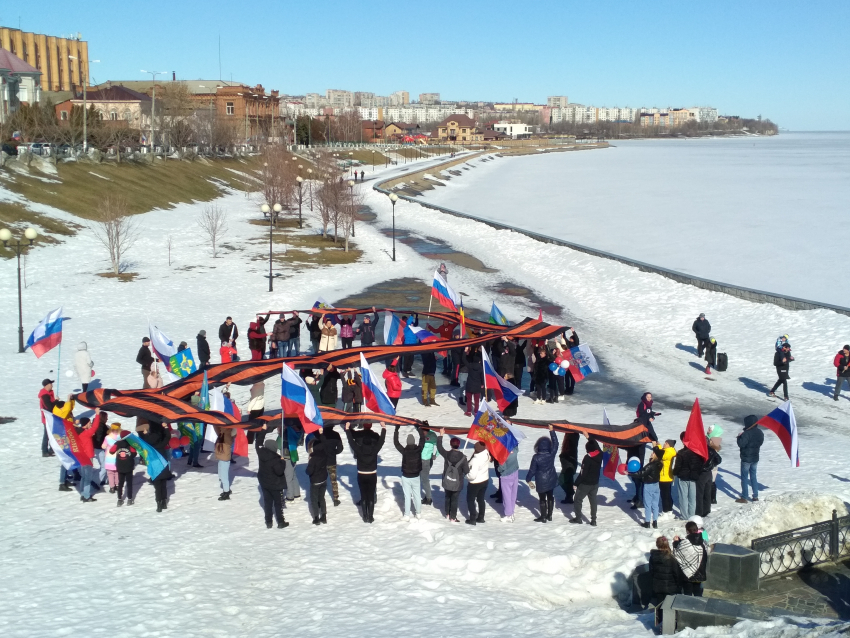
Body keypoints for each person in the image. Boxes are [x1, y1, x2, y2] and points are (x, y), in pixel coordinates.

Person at [345, 422, 386, 524]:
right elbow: (381, 441)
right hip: (372, 474)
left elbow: (351, 441)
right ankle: (370, 517)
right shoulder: (374, 449)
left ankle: (365, 516)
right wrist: (384, 428)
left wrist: (347, 428)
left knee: (363, 496)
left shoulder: (358, 449)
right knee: (371, 496)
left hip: (361, 474)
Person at [629, 392, 660, 509]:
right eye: (648, 397)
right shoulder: (642, 405)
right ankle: (638, 497)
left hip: (638, 459)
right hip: (634, 457)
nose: (649, 398)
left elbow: (647, 415)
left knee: (638, 477)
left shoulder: (648, 405)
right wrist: (649, 418)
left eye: (650, 397)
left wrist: (652, 415)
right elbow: (643, 415)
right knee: (636, 477)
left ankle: (639, 499)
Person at [526, 425, 559, 523]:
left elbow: (532, 470)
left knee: (542, 499)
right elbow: (556, 444)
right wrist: (552, 431)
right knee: (550, 496)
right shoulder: (551, 454)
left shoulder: (536, 457)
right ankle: (550, 516)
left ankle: (543, 516)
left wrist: (528, 479)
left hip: (541, 480)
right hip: (551, 478)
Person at [436, 430, 469, 522]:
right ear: (459, 445)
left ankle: (447, 513)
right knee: (454, 499)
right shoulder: (463, 458)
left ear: (451, 445)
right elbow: (467, 471)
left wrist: (441, 435)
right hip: (457, 483)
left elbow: (439, 447)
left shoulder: (446, 454)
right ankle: (453, 517)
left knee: (447, 497)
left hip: (447, 480)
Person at [139, 420, 171, 512]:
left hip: (154, 465)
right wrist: (165, 428)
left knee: (157, 486)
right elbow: (168, 436)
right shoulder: (162, 442)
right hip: (163, 464)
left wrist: (145, 434)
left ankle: (159, 504)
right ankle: (164, 502)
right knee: (163, 484)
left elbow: (142, 441)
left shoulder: (149, 442)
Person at [394, 427, 426, 520]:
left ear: (407, 442)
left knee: (407, 496)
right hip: (416, 476)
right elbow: (422, 439)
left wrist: (396, 430)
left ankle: (407, 515)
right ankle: (418, 513)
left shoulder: (404, 451)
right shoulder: (419, 449)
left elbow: (396, 443)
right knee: (417, 495)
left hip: (406, 477)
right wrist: (418, 428)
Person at [257, 438, 289, 528]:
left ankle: (268, 522)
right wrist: (282, 462)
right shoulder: (275, 459)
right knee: (278, 503)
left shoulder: (261, 453)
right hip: (275, 484)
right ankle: (280, 522)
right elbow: (279, 471)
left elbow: (258, 443)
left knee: (267, 503)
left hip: (264, 483)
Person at [672, 432, 704, 520]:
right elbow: (700, 464)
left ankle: (684, 515)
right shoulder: (697, 452)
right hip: (693, 477)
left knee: (683, 497)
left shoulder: (681, 453)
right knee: (692, 497)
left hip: (683, 477)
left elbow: (677, 466)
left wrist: (674, 473)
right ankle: (691, 514)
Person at [571, 439, 602, 525]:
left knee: (577, 499)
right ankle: (593, 520)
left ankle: (578, 518)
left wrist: (576, 483)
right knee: (593, 501)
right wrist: (590, 437)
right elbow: (597, 446)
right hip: (595, 484)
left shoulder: (587, 458)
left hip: (585, 484)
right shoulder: (600, 455)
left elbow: (583, 474)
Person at [673, 521, 708, 596]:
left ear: (687, 531)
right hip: (700, 573)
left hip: (687, 574)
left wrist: (676, 543)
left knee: (687, 594)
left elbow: (679, 552)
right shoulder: (703, 542)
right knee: (698, 593)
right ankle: (698, 607)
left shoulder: (685, 543)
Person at [631, 446, 663, 528]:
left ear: (656, 455)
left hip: (649, 486)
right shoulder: (659, 464)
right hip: (656, 485)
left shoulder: (651, 465)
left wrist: (629, 473)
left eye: (653, 453)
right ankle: (655, 522)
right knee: (655, 504)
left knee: (648, 505)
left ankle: (647, 522)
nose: (651, 454)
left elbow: (641, 473)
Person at [735, 415, 764, 503]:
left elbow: (741, 444)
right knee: (753, 476)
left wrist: (739, 437)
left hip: (746, 458)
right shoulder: (760, 432)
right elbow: (760, 442)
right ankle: (755, 496)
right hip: (755, 458)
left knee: (744, 477)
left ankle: (744, 497)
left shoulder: (747, 433)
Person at [649, 536, 681, 611]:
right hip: (670, 586)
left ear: (657, 545)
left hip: (658, 585)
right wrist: (678, 584)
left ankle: (659, 620)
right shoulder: (671, 558)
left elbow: (651, 571)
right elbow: (676, 573)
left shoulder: (653, 557)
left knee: (659, 605)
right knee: (669, 607)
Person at [75, 415, 100, 502]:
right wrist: (97, 415)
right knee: (88, 478)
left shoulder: (79, 432)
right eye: (89, 423)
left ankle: (83, 493)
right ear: (86, 424)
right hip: (88, 457)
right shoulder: (85, 433)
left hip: (82, 457)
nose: (91, 424)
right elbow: (95, 427)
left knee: (84, 477)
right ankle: (86, 496)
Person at [465, 441, 492, 525]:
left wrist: (466, 475)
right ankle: (481, 517)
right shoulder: (486, 453)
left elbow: (472, 475)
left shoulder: (475, 460)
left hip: (475, 482)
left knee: (470, 499)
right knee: (481, 499)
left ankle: (472, 518)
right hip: (485, 480)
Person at [305, 432, 329, 525]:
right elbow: (325, 443)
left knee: (314, 499)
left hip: (315, 481)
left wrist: (307, 469)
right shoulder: (324, 454)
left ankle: (316, 518)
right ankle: (324, 516)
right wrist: (321, 434)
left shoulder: (313, 459)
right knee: (322, 498)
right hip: (323, 479)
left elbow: (309, 471)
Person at [695, 437, 722, 517]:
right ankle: (707, 510)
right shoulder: (711, 450)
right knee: (707, 492)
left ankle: (699, 512)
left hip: (701, 473)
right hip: (708, 473)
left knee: (699, 493)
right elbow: (719, 459)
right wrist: (711, 465)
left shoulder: (700, 450)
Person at [111, 432, 137, 506]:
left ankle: (119, 499)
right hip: (129, 466)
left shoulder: (117, 443)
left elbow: (111, 451)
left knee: (120, 483)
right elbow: (134, 454)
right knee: (129, 483)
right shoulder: (130, 444)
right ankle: (129, 499)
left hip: (120, 466)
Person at [322, 425, 344, 506]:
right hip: (332, 460)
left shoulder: (321, 435)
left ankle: (321, 497)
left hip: (322, 460)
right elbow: (340, 448)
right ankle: (335, 498)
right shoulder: (336, 435)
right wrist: (334, 452)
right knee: (333, 480)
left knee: (322, 480)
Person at [498, 444, 520, 522]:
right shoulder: (514, 449)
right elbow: (517, 448)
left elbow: (502, 468)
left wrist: (498, 467)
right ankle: (511, 511)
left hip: (506, 475)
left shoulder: (502, 453)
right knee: (513, 494)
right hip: (515, 472)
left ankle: (508, 515)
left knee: (506, 496)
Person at [282, 418, 302, 502]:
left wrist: (283, 430)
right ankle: (296, 493)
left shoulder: (289, 432)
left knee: (288, 477)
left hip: (287, 455)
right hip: (293, 455)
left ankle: (290, 496)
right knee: (293, 475)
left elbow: (281, 440)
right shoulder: (298, 433)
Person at [213, 425, 234, 501]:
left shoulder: (227, 436)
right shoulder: (223, 434)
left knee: (224, 477)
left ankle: (226, 492)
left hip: (224, 459)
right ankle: (227, 489)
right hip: (221, 458)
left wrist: (215, 424)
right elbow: (216, 428)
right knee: (222, 476)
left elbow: (216, 429)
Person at [461, 347, 484, 416]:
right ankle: (476, 411)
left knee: (469, 399)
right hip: (477, 386)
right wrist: (482, 384)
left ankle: (469, 411)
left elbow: (463, 359)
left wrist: (465, 352)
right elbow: (482, 377)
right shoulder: (480, 368)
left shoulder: (470, 366)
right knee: (476, 400)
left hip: (469, 385)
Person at [418, 425, 438, 506]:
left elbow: (439, 446)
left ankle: (429, 498)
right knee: (420, 478)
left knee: (425, 479)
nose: (423, 434)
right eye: (422, 432)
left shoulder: (433, 436)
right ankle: (426, 495)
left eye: (424, 432)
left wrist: (436, 455)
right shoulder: (421, 432)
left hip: (427, 460)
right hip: (419, 459)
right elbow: (417, 427)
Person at [559, 432, 580, 503]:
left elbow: (569, 452)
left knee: (562, 480)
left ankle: (570, 493)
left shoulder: (572, 442)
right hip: (570, 464)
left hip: (569, 465)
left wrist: (562, 456)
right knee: (569, 481)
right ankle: (569, 497)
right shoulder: (572, 441)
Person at [39, 379, 56, 457]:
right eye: (50, 384)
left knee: (51, 434)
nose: (52, 385)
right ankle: (44, 451)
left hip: (50, 417)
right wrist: (56, 402)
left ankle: (51, 449)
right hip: (47, 418)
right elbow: (49, 406)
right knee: (47, 435)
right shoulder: (44, 395)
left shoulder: (49, 393)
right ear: (47, 385)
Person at [102, 423, 121, 494]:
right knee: (117, 472)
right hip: (118, 457)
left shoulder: (107, 437)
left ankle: (112, 487)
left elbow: (103, 446)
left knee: (110, 473)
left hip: (109, 458)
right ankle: (118, 485)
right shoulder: (120, 437)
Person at [659, 440, 677, 514]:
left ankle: (665, 511)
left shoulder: (669, 452)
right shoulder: (667, 450)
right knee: (667, 494)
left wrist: (657, 447)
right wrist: (658, 446)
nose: (664, 444)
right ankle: (669, 509)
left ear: (670, 445)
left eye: (666, 443)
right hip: (665, 477)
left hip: (665, 477)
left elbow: (662, 456)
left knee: (665, 495)